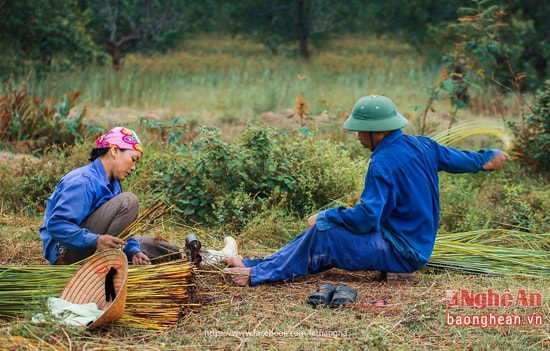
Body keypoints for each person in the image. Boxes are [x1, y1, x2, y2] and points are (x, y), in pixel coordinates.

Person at [224, 95, 509, 286]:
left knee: (324, 231)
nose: (358, 137)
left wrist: (328, 215)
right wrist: (488, 158)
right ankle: (255, 264)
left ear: (380, 131)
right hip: (409, 241)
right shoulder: (424, 144)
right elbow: (463, 160)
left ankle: (257, 275)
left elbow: (367, 219)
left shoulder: (382, 163)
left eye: (362, 131)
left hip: (402, 250)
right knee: (320, 228)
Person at [40, 127, 177, 265]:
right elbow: (56, 224)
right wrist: (96, 240)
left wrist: (134, 252)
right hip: (66, 252)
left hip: (92, 245)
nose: (134, 167)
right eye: (133, 159)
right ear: (115, 151)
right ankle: (107, 265)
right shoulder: (84, 181)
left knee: (155, 244)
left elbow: (121, 230)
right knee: (128, 201)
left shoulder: (113, 183)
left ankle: (178, 256)